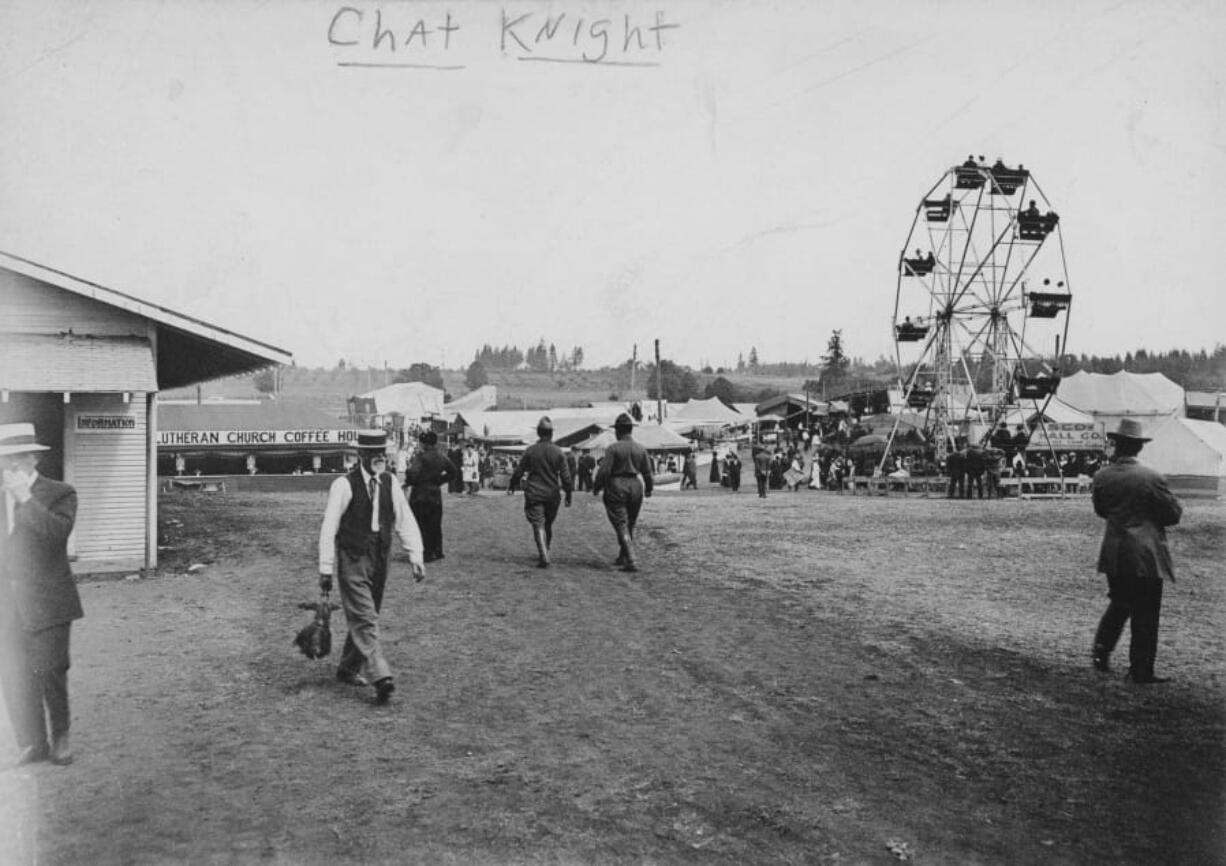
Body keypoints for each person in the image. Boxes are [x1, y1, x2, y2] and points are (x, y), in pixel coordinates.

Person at [319, 430, 425, 705]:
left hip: (380, 557)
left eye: (383, 452)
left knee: (368, 612)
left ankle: (347, 668)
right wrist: (325, 567)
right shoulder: (343, 485)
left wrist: (416, 556)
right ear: (361, 456)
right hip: (352, 558)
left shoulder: (390, 482)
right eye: (373, 453)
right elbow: (329, 527)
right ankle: (381, 677)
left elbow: (405, 520)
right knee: (365, 617)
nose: (380, 457)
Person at [0, 423, 82, 766]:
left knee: (50, 671)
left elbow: (57, 534)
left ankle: (60, 737)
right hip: (7, 604)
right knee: (15, 675)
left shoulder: (61, 493)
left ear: (34, 458)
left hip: (49, 600)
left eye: (18, 457)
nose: (11, 466)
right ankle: (32, 743)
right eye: (5, 459)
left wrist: (25, 499)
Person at [1090, 419, 1182, 684]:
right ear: (1139, 448)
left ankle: (1101, 651)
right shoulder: (1151, 477)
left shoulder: (1102, 476)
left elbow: (1101, 511)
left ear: (1118, 445)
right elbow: (1172, 514)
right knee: (1146, 611)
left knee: (1119, 603)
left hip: (1114, 550)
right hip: (1145, 553)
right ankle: (1140, 669)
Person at [508, 417, 573, 568]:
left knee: (539, 524)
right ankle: (546, 550)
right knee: (547, 524)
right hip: (552, 495)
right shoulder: (558, 452)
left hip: (535, 493)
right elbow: (566, 477)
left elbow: (519, 471)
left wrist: (512, 485)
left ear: (538, 432)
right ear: (551, 434)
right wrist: (568, 494)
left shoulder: (530, 451)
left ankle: (544, 555)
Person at [592, 413, 653, 572]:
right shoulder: (641, 449)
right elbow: (647, 473)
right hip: (635, 486)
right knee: (630, 523)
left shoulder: (613, 449)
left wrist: (597, 487)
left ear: (618, 431)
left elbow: (604, 471)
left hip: (616, 486)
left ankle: (631, 559)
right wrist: (649, 488)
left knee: (621, 524)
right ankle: (623, 556)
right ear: (631, 430)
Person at [403, 431, 458, 563]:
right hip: (435, 493)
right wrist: (439, 480)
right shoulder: (442, 456)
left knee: (421, 524)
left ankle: (425, 553)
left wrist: (409, 478)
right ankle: (437, 551)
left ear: (424, 443)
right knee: (435, 523)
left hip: (420, 494)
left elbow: (413, 474)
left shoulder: (420, 457)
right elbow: (453, 472)